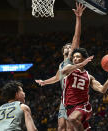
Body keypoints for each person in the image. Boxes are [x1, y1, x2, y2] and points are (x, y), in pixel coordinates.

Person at [35, 3, 86, 131]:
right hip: (64, 98)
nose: (70, 47)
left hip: (74, 98)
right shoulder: (61, 65)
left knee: (69, 127)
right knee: (60, 127)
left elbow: (76, 36)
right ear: (63, 51)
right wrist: (44, 82)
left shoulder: (72, 60)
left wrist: (78, 18)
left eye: (71, 46)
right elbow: (57, 78)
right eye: (67, 47)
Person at [61, 48, 108, 131]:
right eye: (73, 57)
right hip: (69, 109)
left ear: (84, 59)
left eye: (77, 57)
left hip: (83, 106)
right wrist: (80, 64)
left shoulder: (89, 77)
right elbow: (63, 71)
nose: (75, 58)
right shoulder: (70, 69)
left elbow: (102, 89)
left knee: (72, 119)